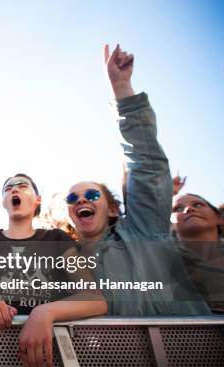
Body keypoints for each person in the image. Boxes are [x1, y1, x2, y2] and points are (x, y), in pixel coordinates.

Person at [66, 44, 211, 316]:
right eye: (72, 198)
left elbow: (147, 165)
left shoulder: (143, 231)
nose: (82, 199)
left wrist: (121, 89)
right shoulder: (65, 261)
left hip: (189, 352)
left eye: (93, 195)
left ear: (111, 208)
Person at [0, 173, 106, 367]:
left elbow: (95, 298)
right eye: (8, 188)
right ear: (4, 202)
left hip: (49, 357)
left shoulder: (56, 238)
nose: (14, 189)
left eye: (22, 185)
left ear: (38, 200)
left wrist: (44, 312)